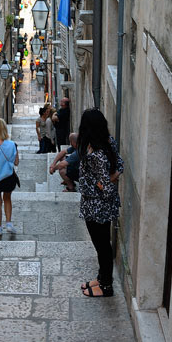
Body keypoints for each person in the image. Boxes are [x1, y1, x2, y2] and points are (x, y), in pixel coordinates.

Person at [76, 108, 123, 297]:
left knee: (102, 245)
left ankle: (106, 286)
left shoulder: (96, 154)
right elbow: (120, 165)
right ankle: (101, 278)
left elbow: (106, 183)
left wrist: (100, 184)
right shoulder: (107, 142)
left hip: (97, 207)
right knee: (102, 244)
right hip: (95, 204)